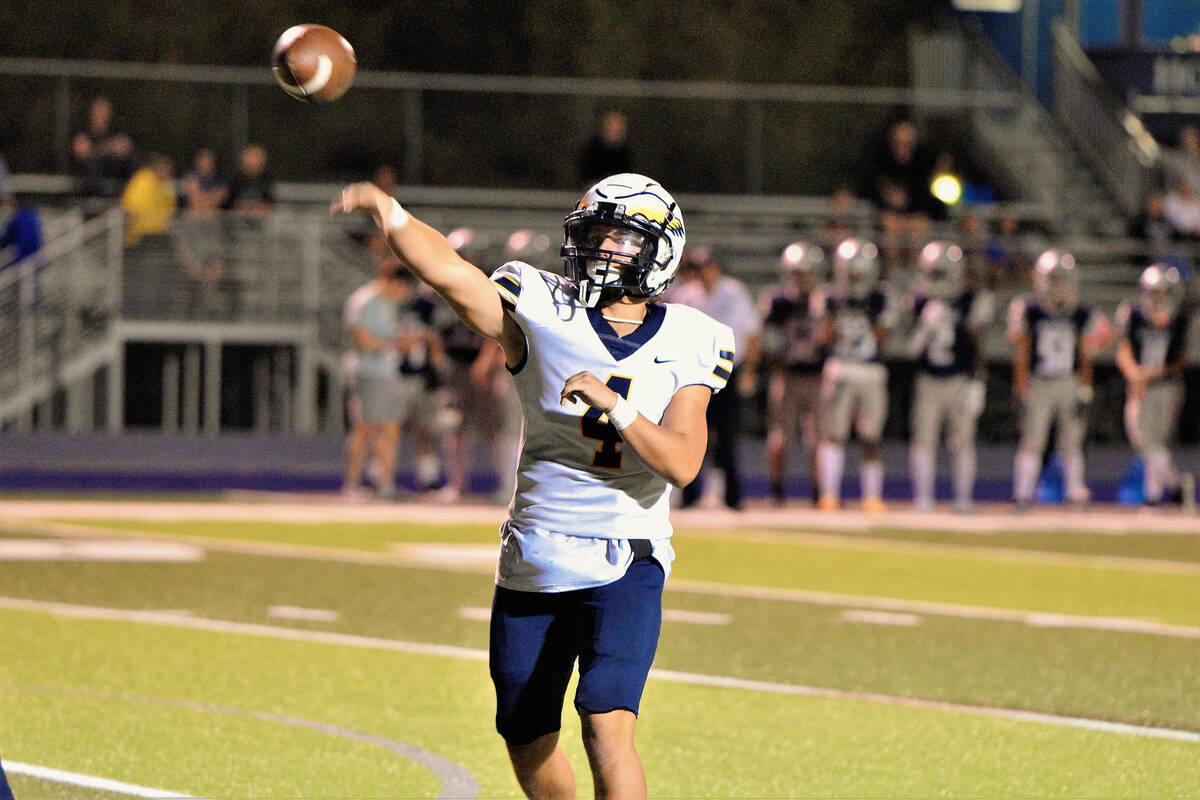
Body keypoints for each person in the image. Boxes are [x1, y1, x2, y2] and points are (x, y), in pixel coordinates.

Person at [333, 171, 732, 799]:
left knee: (607, 725)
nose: (601, 251)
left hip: (628, 550)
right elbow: (450, 273)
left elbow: (683, 462)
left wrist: (618, 409)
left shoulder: (692, 338)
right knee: (524, 730)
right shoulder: (543, 308)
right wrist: (393, 214)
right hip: (537, 551)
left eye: (619, 239)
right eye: (594, 235)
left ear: (659, 252)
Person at [669, 246, 760, 511]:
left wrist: (750, 370)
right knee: (691, 433)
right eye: (700, 268)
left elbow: (751, 333)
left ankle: (733, 497)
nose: (704, 273)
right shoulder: (685, 295)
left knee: (728, 437)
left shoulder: (733, 292)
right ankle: (690, 495)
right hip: (694, 374)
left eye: (708, 267)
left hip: (728, 372)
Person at [341, 259, 441, 499]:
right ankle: (352, 484)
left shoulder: (386, 304)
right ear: (394, 282)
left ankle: (384, 485)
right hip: (368, 372)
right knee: (364, 429)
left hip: (387, 373)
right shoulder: (366, 301)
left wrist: (406, 342)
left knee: (390, 428)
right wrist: (397, 343)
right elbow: (362, 340)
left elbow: (386, 338)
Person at [1008, 250, 1099, 509]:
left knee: (1071, 440)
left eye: (1061, 279)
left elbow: (1086, 352)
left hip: (1069, 381)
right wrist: (1022, 385)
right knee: (1032, 439)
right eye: (1053, 278)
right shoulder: (1029, 309)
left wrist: (1085, 386)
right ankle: (1023, 493)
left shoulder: (1080, 312)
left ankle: (1074, 493)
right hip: (1040, 381)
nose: (1057, 284)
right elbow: (1022, 350)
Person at [907, 241, 994, 513]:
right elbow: (908, 349)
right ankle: (923, 498)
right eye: (935, 273)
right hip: (928, 379)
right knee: (924, 440)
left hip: (959, 379)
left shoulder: (971, 299)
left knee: (963, 442)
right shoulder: (918, 301)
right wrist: (923, 326)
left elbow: (978, 343)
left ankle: (962, 499)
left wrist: (978, 380)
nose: (938, 279)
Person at [814, 237, 895, 512]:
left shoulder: (881, 297)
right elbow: (824, 338)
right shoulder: (829, 296)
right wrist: (839, 313)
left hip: (871, 369)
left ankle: (872, 497)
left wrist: (866, 312)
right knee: (832, 434)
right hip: (841, 366)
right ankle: (829, 495)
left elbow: (883, 338)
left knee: (871, 436)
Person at [1115, 264, 1195, 510]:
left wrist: (1150, 375)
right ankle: (1178, 484)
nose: (1159, 298)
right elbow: (1124, 351)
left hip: (1166, 386)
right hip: (1141, 384)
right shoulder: (1133, 313)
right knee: (1142, 438)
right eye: (1155, 292)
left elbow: (1179, 361)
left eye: (1164, 292)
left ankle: (1153, 495)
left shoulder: (1181, 319)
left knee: (1154, 442)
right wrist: (1136, 376)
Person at [758, 241, 827, 504]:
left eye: (808, 273)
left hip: (817, 376)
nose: (804, 279)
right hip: (787, 376)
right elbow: (762, 336)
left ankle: (819, 493)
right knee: (779, 437)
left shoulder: (824, 299)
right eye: (799, 273)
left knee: (817, 439)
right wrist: (774, 365)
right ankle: (776, 491)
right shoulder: (776, 301)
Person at [174, 148, 231, 316]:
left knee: (216, 282)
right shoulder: (184, 222)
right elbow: (181, 250)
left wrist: (213, 268)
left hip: (207, 273)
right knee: (188, 285)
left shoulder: (215, 222)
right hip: (189, 273)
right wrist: (195, 268)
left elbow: (219, 250)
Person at [70, 96, 135, 200]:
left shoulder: (117, 131)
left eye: (105, 110)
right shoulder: (83, 132)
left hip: (114, 192)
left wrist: (96, 150)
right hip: (87, 193)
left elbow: (124, 147)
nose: (102, 114)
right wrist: (109, 148)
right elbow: (81, 151)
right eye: (99, 110)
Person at [119, 153, 176, 247]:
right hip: (141, 233)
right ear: (158, 168)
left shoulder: (167, 183)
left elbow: (171, 206)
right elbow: (131, 204)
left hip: (160, 232)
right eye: (165, 169)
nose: (167, 173)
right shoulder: (143, 179)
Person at [577, 110, 634, 188]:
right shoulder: (590, 151)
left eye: (617, 129)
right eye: (610, 127)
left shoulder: (626, 153)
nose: (613, 131)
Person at [0, 193, 44, 270]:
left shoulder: (18, 219)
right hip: (36, 258)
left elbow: (6, 240)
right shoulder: (33, 216)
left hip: (24, 260)